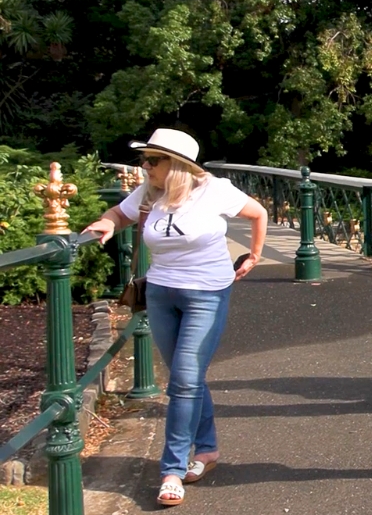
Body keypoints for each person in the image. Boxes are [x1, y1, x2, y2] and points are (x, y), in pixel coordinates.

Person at [85, 128, 267, 508]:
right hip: (161, 292)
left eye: (153, 160)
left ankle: (171, 470)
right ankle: (208, 450)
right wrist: (105, 223)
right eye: (144, 159)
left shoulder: (213, 189)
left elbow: (258, 212)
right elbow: (120, 213)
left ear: (178, 166)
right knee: (188, 378)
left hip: (207, 293)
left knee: (183, 381)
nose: (144, 166)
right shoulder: (149, 191)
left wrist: (254, 254)